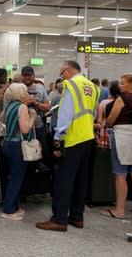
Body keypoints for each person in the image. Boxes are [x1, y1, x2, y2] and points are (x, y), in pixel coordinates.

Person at [36, 60, 99, 232]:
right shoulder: (92, 86)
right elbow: (93, 113)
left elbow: (66, 113)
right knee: (81, 179)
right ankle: (77, 217)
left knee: (63, 179)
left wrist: (58, 136)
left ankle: (59, 219)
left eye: (62, 72)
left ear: (69, 71)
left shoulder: (70, 85)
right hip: (87, 136)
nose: (61, 76)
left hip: (72, 138)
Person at [100, 74, 132, 220]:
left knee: (120, 175)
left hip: (123, 137)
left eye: (123, 83)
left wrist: (105, 124)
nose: (120, 86)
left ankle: (119, 210)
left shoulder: (122, 99)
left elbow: (111, 119)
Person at [0, 83, 37, 220]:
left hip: (8, 144)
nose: (28, 94)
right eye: (26, 92)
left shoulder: (9, 105)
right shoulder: (22, 107)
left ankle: (15, 206)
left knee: (14, 176)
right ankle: (8, 210)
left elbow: (1, 118)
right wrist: (32, 116)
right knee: (17, 178)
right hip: (17, 146)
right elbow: (25, 129)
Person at [21, 66, 50, 142]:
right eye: (25, 75)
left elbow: (48, 107)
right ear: (21, 76)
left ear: (33, 76)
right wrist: (25, 103)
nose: (27, 77)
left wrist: (36, 103)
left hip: (39, 127)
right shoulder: (17, 89)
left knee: (41, 151)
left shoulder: (41, 88)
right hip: (22, 127)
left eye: (29, 75)